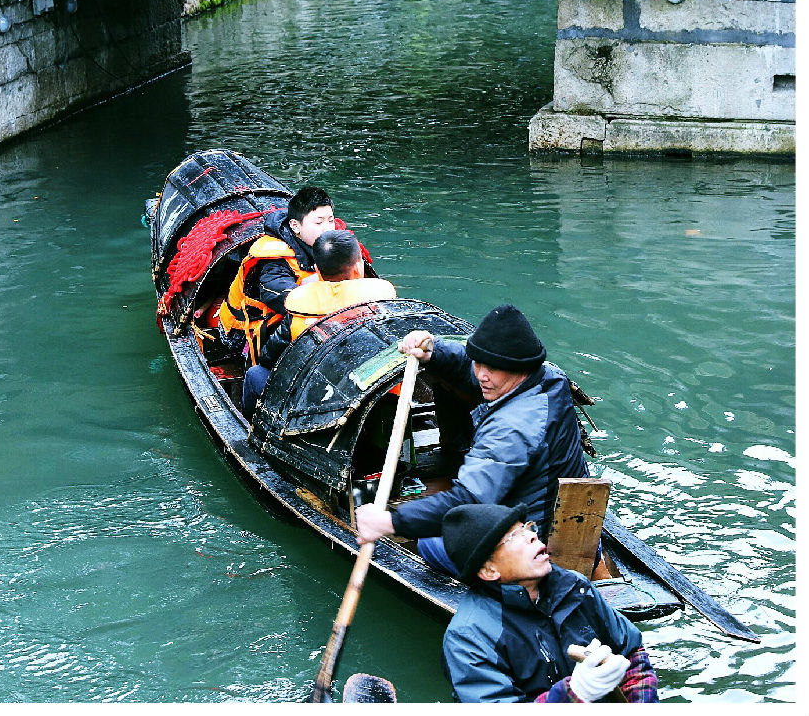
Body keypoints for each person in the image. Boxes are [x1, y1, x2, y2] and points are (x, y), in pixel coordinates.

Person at [355, 304, 589, 577]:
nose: (481, 375)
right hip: (557, 514)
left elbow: (468, 502)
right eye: (479, 363)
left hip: (529, 539)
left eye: (492, 369)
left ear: (519, 369)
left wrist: (391, 522)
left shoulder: (511, 428)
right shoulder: (550, 377)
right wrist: (434, 352)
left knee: (429, 542)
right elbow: (471, 367)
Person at [439, 502, 659, 702]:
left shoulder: (575, 585)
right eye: (514, 536)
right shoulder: (468, 637)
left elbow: (633, 654)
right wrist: (573, 694)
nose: (532, 536)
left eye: (527, 528)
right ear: (489, 570)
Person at [241, 229, 396, 419]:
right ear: (358, 267)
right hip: (368, 398)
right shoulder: (382, 304)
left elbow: (268, 358)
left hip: (313, 403)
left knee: (254, 374)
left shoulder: (299, 309)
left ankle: (251, 426)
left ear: (316, 269)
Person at [218, 186, 338, 365]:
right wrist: (320, 282)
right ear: (295, 226)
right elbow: (277, 294)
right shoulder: (273, 260)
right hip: (243, 330)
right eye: (319, 223)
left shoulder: (325, 243)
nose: (327, 229)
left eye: (331, 220)